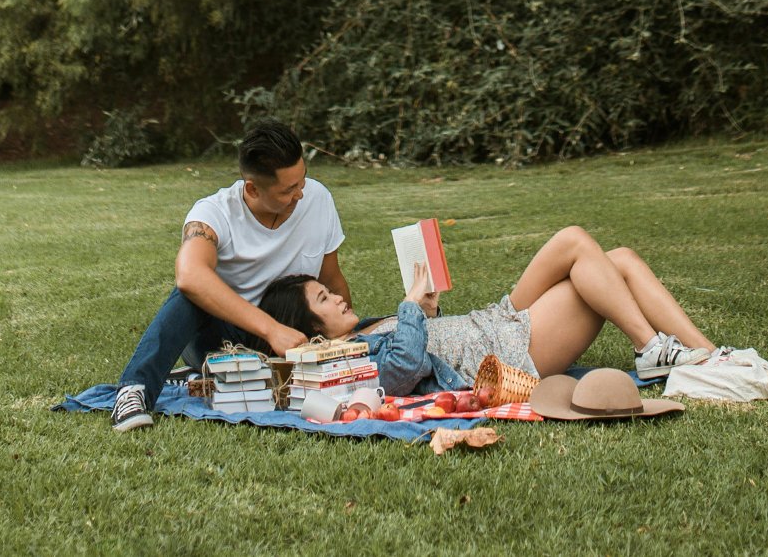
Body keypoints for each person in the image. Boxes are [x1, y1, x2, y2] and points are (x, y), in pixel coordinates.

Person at [258, 226, 715, 397]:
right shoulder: (350, 360)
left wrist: (427, 312)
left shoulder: (366, 327)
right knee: (577, 245)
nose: (337, 296)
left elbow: (428, 346)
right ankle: (651, 349)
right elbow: (401, 372)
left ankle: (712, 356)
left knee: (620, 259)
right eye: (323, 300)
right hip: (508, 354)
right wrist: (410, 307)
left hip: (496, 322)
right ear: (315, 334)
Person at [111, 120, 351, 431]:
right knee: (191, 293)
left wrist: (347, 338)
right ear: (252, 188)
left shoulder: (318, 199)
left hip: (295, 341)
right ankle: (135, 389)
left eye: (302, 181)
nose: (300, 195)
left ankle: (216, 377)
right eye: (288, 190)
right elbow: (189, 275)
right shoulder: (214, 213)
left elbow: (331, 277)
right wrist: (271, 330)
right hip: (225, 337)